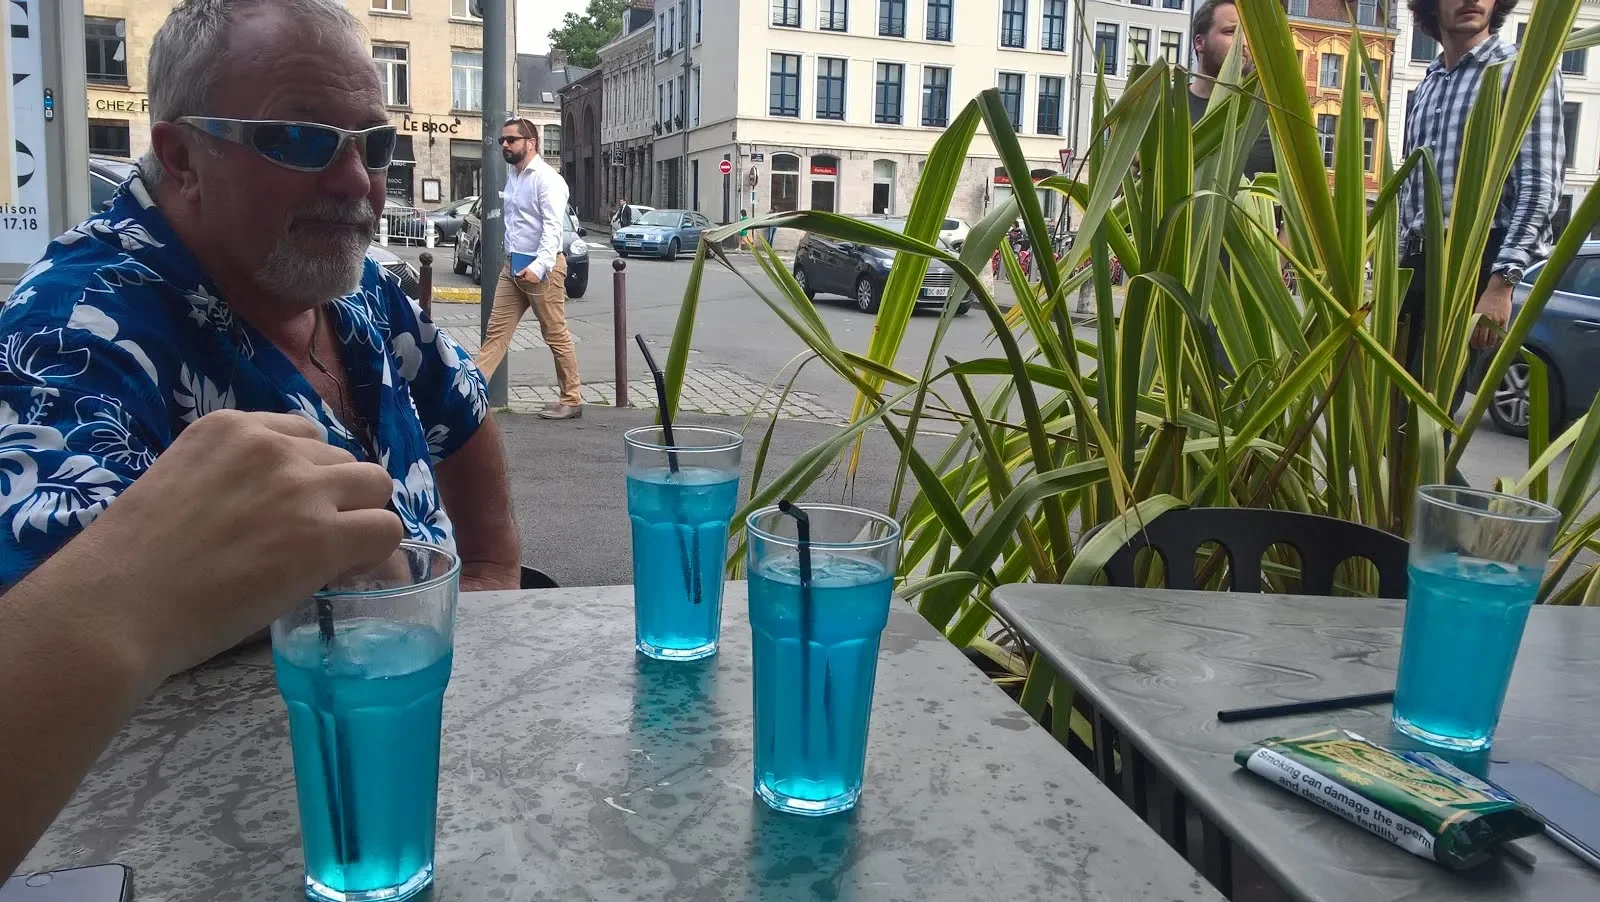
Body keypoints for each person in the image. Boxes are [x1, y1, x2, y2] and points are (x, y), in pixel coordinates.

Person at [0, 0, 520, 591]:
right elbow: (46, 623)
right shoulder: (73, 330)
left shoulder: (358, 281)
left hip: (423, 671)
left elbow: (462, 407)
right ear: (181, 156)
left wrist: (491, 572)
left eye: (374, 146)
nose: (355, 181)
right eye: (300, 139)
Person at [0, 410, 405, 876]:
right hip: (156, 814)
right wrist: (131, 590)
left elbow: (484, 553)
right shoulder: (70, 361)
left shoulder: (380, 338)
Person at [1399, 0, 1562, 371]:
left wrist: (1501, 283)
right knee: (1386, 402)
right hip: (1416, 261)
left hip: (1473, 261)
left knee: (1432, 401)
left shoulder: (1521, 71)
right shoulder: (1429, 83)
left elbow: (1539, 184)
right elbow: (1409, 192)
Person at [474, 118, 582, 419]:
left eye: (511, 140)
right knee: (496, 333)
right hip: (513, 267)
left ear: (531, 142)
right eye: (502, 140)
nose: (505, 145)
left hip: (541, 268)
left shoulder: (547, 179)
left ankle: (572, 399)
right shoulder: (515, 175)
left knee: (555, 333)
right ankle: (469, 395)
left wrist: (540, 266)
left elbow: (552, 229)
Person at [1188, 0, 1275, 179]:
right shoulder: (1166, 107)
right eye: (1230, 32)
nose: (1242, 43)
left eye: (1248, 33)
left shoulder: (1271, 116)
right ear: (1199, 43)